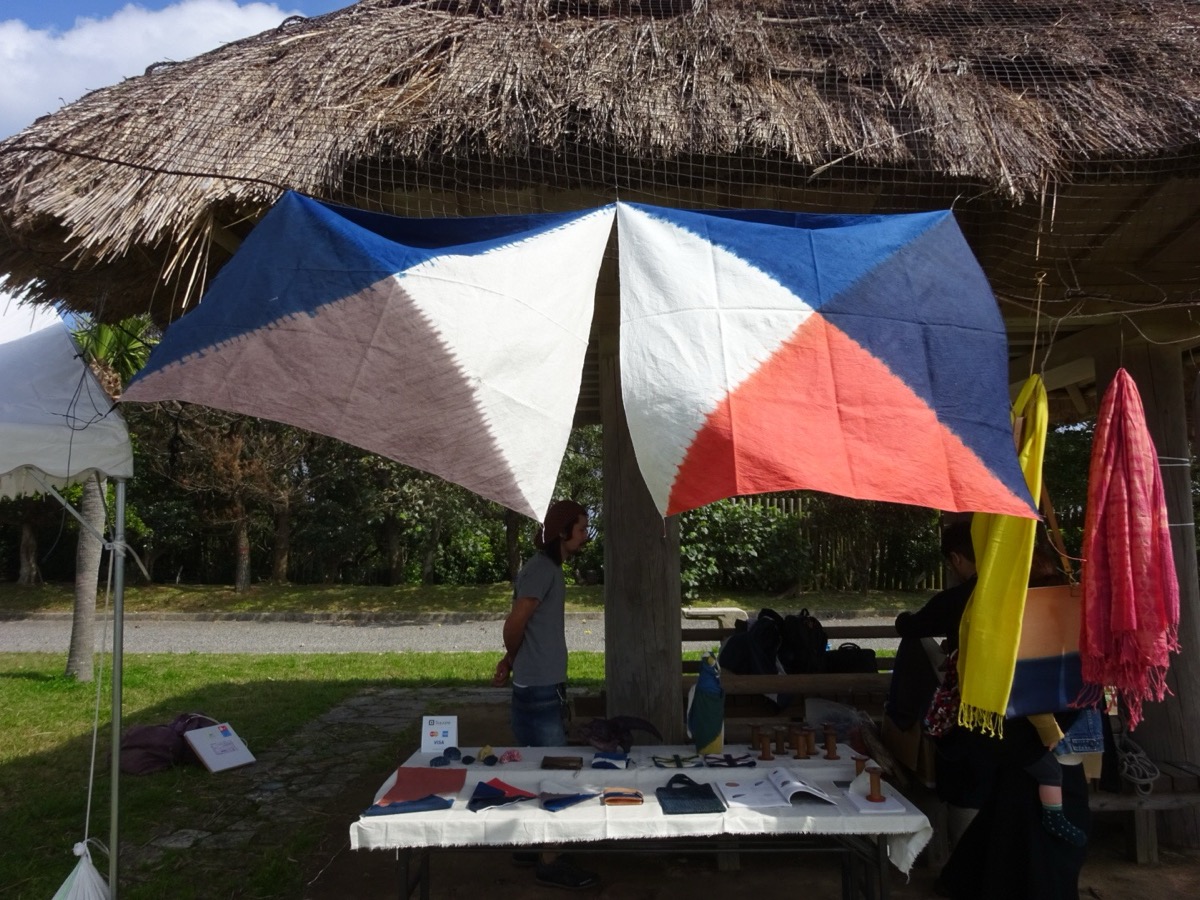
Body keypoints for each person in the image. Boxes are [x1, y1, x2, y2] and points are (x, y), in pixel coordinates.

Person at [492, 499, 598, 891]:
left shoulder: (547, 569)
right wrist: (512, 655)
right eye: (582, 528)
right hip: (540, 688)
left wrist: (511, 660)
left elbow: (524, 627)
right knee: (557, 773)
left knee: (532, 767)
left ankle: (531, 844)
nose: (586, 535)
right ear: (562, 532)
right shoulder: (542, 569)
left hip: (537, 684)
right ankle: (550, 862)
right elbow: (515, 622)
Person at [886, 519, 994, 847]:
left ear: (957, 558)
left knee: (968, 781)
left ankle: (966, 858)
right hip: (1020, 709)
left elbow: (910, 626)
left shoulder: (958, 598)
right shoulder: (1016, 593)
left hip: (972, 708)